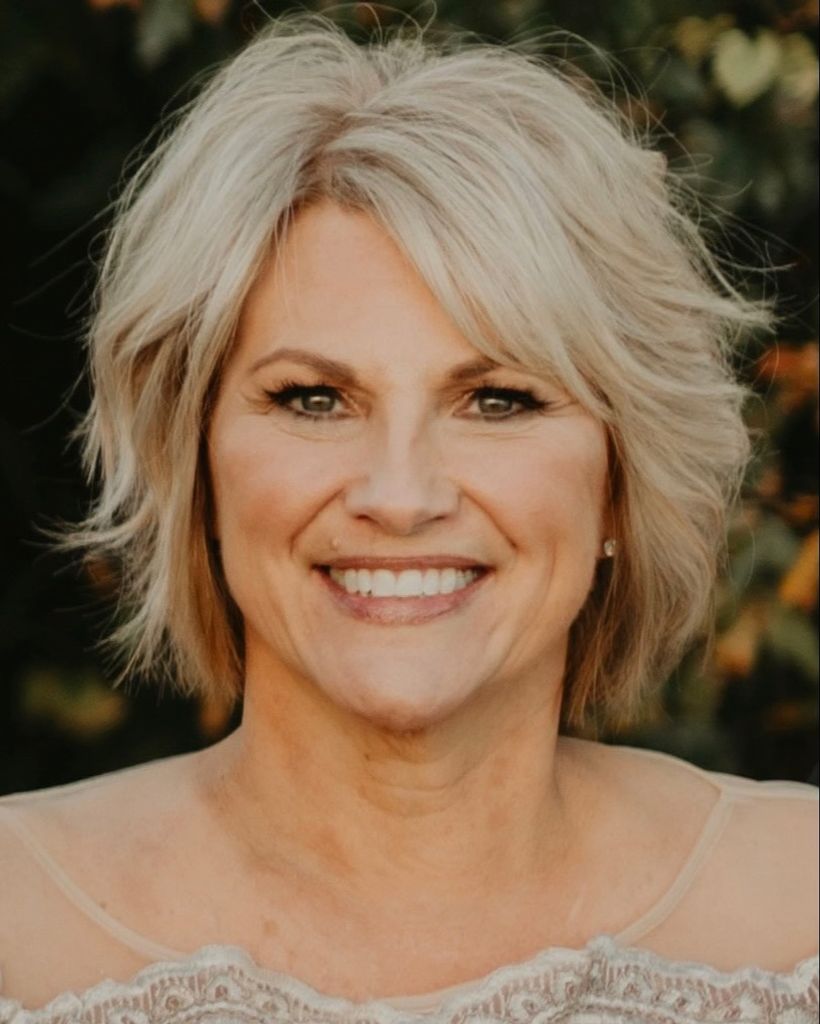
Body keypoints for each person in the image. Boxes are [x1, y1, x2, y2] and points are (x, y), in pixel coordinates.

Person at [0, 14, 817, 1022]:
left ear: (617, 476)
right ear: (195, 460)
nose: (399, 494)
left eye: (498, 401)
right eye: (313, 399)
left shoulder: (800, 912)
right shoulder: (18, 924)